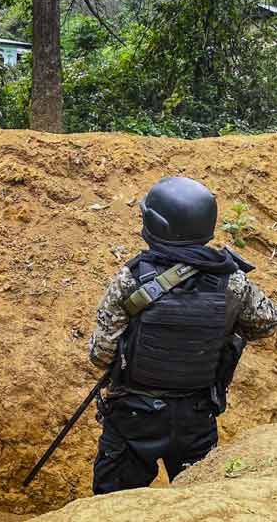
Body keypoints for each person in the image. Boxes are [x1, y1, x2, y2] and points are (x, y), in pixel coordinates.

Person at [89, 176, 277, 494]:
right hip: (196, 418)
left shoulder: (131, 278)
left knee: (111, 505)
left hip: (134, 418)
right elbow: (266, 324)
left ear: (155, 226)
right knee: (199, 501)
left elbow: (101, 355)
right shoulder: (232, 281)